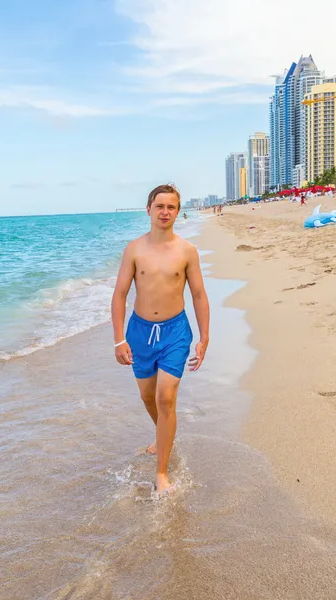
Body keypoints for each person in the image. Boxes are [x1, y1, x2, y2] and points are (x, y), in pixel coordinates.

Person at [111, 184, 210, 494]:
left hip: (175, 333)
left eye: (171, 207)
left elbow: (198, 294)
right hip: (139, 334)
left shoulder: (186, 251)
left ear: (178, 212)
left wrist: (204, 337)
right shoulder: (134, 249)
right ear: (149, 210)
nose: (165, 212)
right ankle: (163, 433)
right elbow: (120, 294)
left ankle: (162, 473)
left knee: (165, 397)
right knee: (148, 397)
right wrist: (118, 340)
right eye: (160, 206)